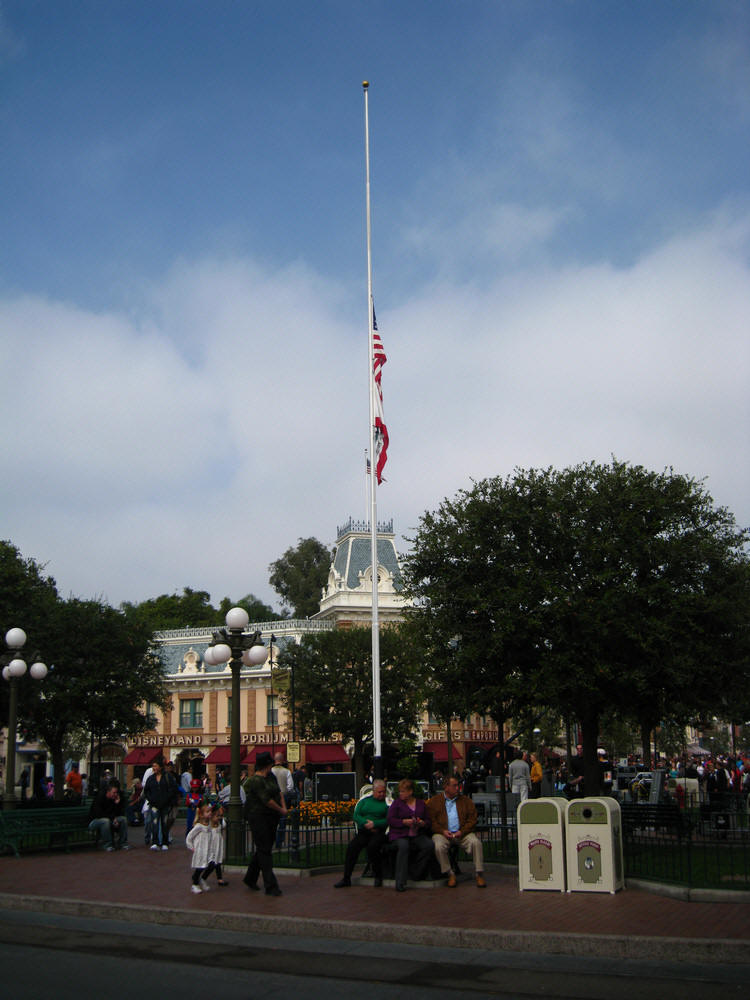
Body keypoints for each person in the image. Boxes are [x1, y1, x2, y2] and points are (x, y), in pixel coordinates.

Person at [426, 775, 486, 888]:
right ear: (446, 787)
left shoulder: (466, 801)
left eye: (458, 785)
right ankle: (450, 874)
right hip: (443, 834)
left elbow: (472, 819)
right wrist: (442, 831)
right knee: (438, 845)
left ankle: (479, 873)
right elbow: (431, 821)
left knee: (476, 843)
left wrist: (462, 831)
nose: (457, 788)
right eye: (454, 786)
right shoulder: (434, 802)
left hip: (462, 834)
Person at [242, 751, 287, 896]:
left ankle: (250, 878)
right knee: (264, 850)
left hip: (271, 818)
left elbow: (278, 792)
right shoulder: (255, 781)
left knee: (263, 848)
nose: (271, 767)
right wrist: (281, 809)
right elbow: (267, 800)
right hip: (258, 817)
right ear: (265, 765)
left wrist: (283, 807)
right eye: (269, 764)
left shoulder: (271, 776)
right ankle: (271, 885)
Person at [334, 779, 389, 888]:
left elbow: (389, 819)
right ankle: (346, 878)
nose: (382, 794)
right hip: (364, 831)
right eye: (379, 792)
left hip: (379, 832)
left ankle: (378, 875)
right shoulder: (364, 801)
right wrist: (365, 823)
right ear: (374, 791)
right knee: (352, 848)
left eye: (383, 792)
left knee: (373, 847)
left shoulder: (387, 803)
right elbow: (356, 815)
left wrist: (375, 824)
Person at [387, 778, 434, 892]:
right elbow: (390, 819)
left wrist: (422, 823)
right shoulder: (397, 803)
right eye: (400, 791)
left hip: (417, 834)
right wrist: (403, 822)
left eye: (403, 791)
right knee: (404, 846)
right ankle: (400, 881)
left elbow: (428, 820)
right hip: (400, 834)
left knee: (429, 845)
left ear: (410, 791)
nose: (401, 794)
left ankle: (416, 873)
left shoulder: (421, 804)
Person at [88, 779, 129, 851]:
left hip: (110, 819)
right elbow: (99, 814)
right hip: (95, 820)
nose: (115, 794)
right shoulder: (100, 798)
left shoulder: (114, 799)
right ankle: (107, 845)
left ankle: (123, 843)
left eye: (116, 793)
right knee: (105, 821)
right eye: (114, 792)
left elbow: (118, 813)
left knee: (123, 819)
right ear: (108, 792)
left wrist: (117, 804)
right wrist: (113, 818)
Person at [144, 759, 173, 851]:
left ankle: (164, 842)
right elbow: (146, 791)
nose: (154, 768)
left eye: (155, 766)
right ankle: (155, 842)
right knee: (154, 823)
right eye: (153, 766)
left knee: (164, 824)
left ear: (160, 767)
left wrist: (167, 799)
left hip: (165, 804)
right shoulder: (151, 779)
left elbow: (172, 789)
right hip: (154, 805)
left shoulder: (167, 777)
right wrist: (151, 799)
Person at [186, 803, 212, 893]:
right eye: (207, 812)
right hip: (200, 850)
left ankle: (201, 879)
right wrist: (191, 846)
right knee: (200, 867)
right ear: (201, 814)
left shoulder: (209, 825)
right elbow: (190, 837)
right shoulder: (198, 826)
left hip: (207, 849)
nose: (210, 813)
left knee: (210, 864)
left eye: (210, 811)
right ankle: (195, 883)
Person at [271, 752, 294, 848]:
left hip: (272, 797)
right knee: (282, 820)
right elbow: (290, 786)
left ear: (275, 760)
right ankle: (279, 842)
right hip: (283, 797)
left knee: (272, 820)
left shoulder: (270, 771)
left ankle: (272, 839)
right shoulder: (287, 771)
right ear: (282, 760)